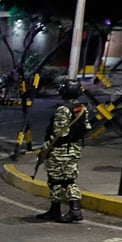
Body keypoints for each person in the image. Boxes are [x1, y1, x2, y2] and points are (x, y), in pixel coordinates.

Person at [36, 78, 91, 223]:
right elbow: (86, 128)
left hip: (60, 150)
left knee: (59, 180)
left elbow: (59, 133)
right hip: (74, 149)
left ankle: (74, 210)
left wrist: (46, 148)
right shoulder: (82, 108)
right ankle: (56, 210)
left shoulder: (63, 109)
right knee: (64, 179)